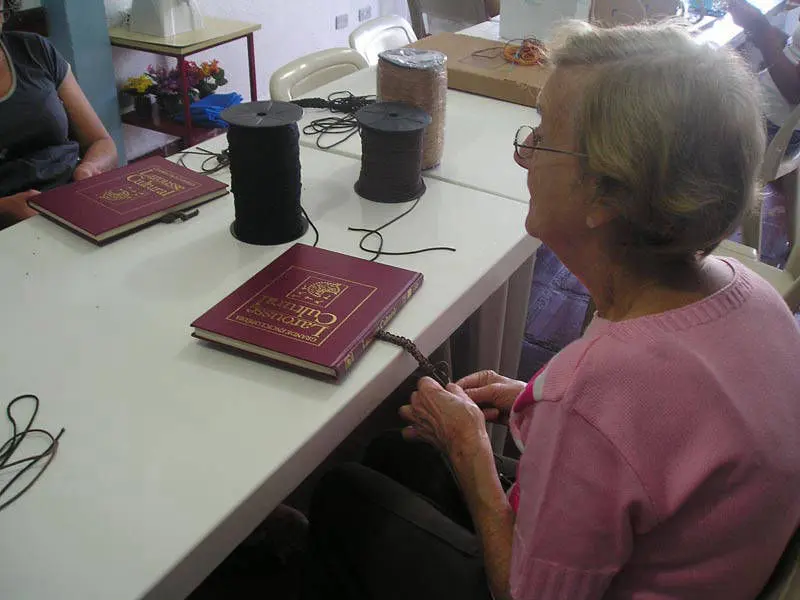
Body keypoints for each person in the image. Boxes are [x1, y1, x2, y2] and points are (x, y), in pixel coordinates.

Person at [301, 22, 800, 600]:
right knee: (396, 453)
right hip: (701, 559)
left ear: (608, 194)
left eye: (542, 137)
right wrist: (536, 403)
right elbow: (663, 431)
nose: (522, 155)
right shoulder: (756, 297)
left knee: (343, 494)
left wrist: (471, 449)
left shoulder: (596, 390)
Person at [0, 0, 117, 227]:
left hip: (71, 196)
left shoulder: (35, 50)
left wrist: (89, 169)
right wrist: (5, 207)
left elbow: (102, 142)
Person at [728, 0, 800, 154]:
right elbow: (796, 50)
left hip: (775, 126)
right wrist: (767, 33)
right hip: (771, 111)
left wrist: (761, 29)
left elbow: (795, 92)